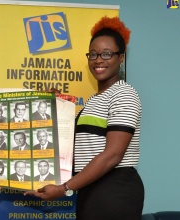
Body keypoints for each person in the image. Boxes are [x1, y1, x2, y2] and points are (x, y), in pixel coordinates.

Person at [25, 16, 144, 220]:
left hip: (114, 190)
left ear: (121, 58)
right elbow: (82, 143)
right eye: (94, 54)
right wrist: (57, 107)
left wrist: (64, 188)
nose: (98, 60)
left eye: (107, 54)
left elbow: (112, 155)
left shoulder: (124, 94)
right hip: (90, 188)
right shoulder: (94, 100)